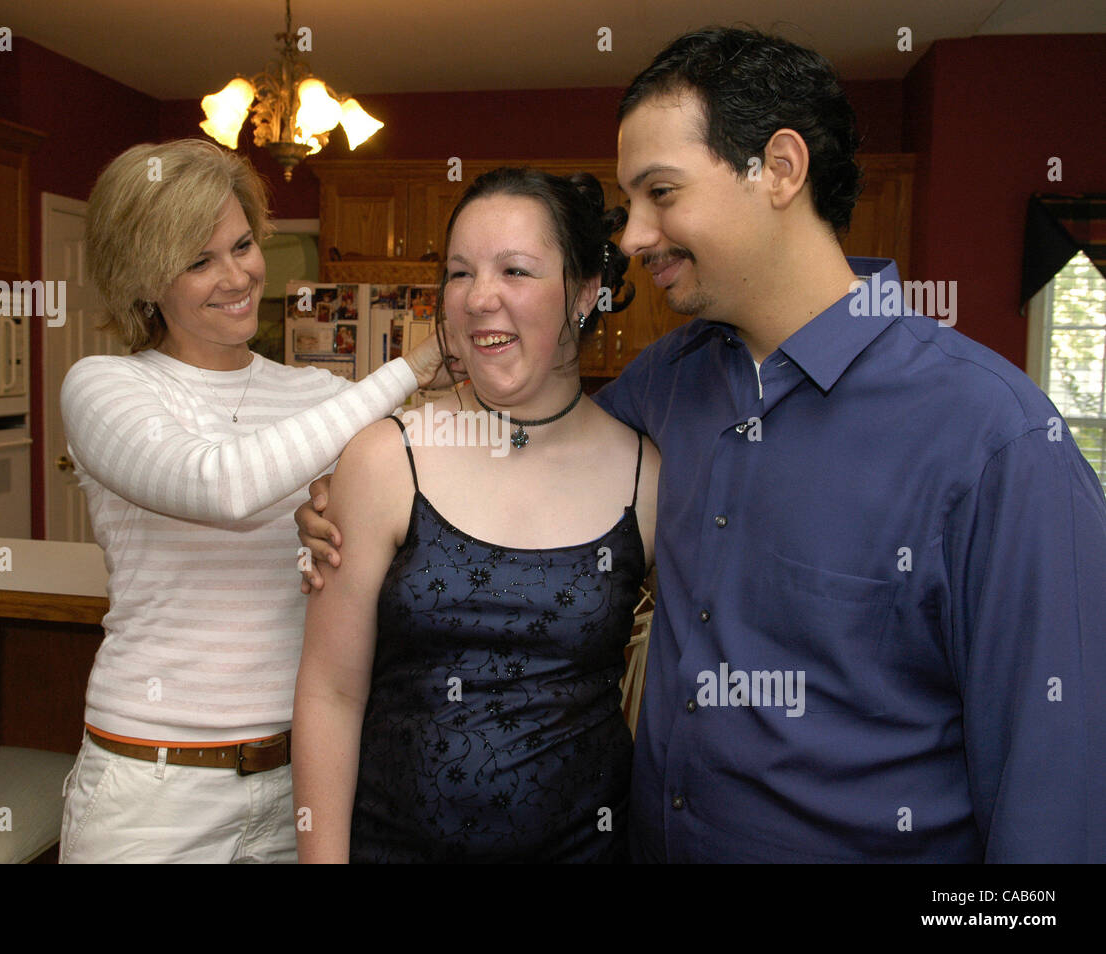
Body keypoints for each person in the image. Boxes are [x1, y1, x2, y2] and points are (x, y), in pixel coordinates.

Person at [298, 28, 1106, 863]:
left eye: (661, 192)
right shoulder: (666, 388)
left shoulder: (997, 440)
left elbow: (1057, 797)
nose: (637, 236)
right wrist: (336, 504)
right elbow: (520, 449)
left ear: (781, 171)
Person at [57, 138, 448, 863]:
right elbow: (225, 486)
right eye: (199, 261)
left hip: (299, 782)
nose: (237, 276)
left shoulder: (318, 398)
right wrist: (412, 367)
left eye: (242, 245)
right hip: (153, 791)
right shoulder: (104, 388)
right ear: (145, 281)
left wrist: (329, 518)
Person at [291, 168, 660, 863]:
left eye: (515, 270)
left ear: (584, 294)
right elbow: (329, 695)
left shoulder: (646, 477)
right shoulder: (384, 459)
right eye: (460, 273)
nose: (480, 297)